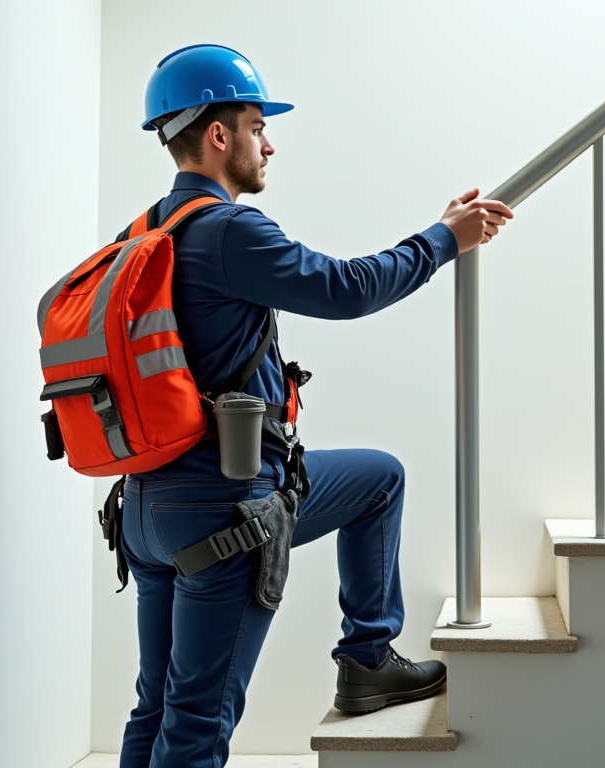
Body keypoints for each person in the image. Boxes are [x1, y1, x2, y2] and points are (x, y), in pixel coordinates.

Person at [116, 44, 514, 768]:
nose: (268, 144)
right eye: (257, 126)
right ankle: (366, 657)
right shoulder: (229, 229)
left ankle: (368, 660)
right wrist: (443, 240)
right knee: (198, 719)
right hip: (225, 510)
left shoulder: (140, 234)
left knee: (158, 702)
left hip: (145, 510)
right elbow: (346, 288)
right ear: (218, 135)